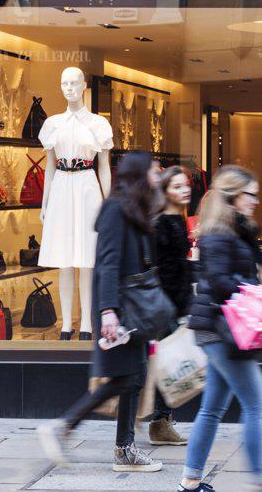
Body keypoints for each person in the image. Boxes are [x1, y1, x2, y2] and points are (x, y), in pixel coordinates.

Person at [38, 151, 165, 472]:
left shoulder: (135, 208)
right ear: (139, 174)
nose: (157, 176)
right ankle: (64, 427)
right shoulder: (114, 209)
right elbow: (107, 263)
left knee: (133, 377)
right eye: (153, 171)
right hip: (118, 306)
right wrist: (108, 311)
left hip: (133, 305)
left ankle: (124, 450)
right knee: (123, 377)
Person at [179, 165, 262, 492]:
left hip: (219, 328)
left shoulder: (234, 232)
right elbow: (220, 282)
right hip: (221, 330)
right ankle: (261, 479)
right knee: (256, 404)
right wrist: (254, 290)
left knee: (212, 408)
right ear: (235, 196)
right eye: (251, 195)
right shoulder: (219, 234)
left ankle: (190, 482)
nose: (256, 201)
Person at [148, 165, 194, 446]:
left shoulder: (177, 219)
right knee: (168, 365)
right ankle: (158, 423)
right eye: (176, 186)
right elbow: (160, 268)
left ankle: (159, 421)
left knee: (169, 364)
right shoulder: (161, 223)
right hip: (163, 304)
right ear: (165, 191)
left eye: (185, 184)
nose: (185, 189)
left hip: (175, 303)